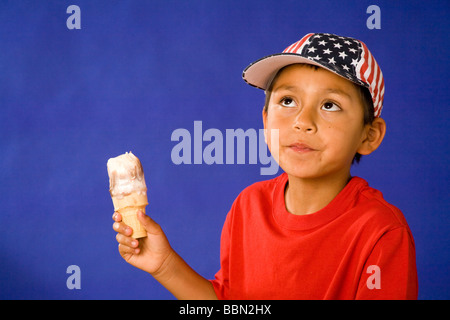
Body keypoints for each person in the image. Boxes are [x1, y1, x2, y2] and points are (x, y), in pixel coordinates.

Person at [112, 33, 418, 299]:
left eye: (329, 105)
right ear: (265, 120)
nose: (302, 122)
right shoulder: (248, 206)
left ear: (369, 135)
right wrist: (164, 265)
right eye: (287, 101)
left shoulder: (382, 232)